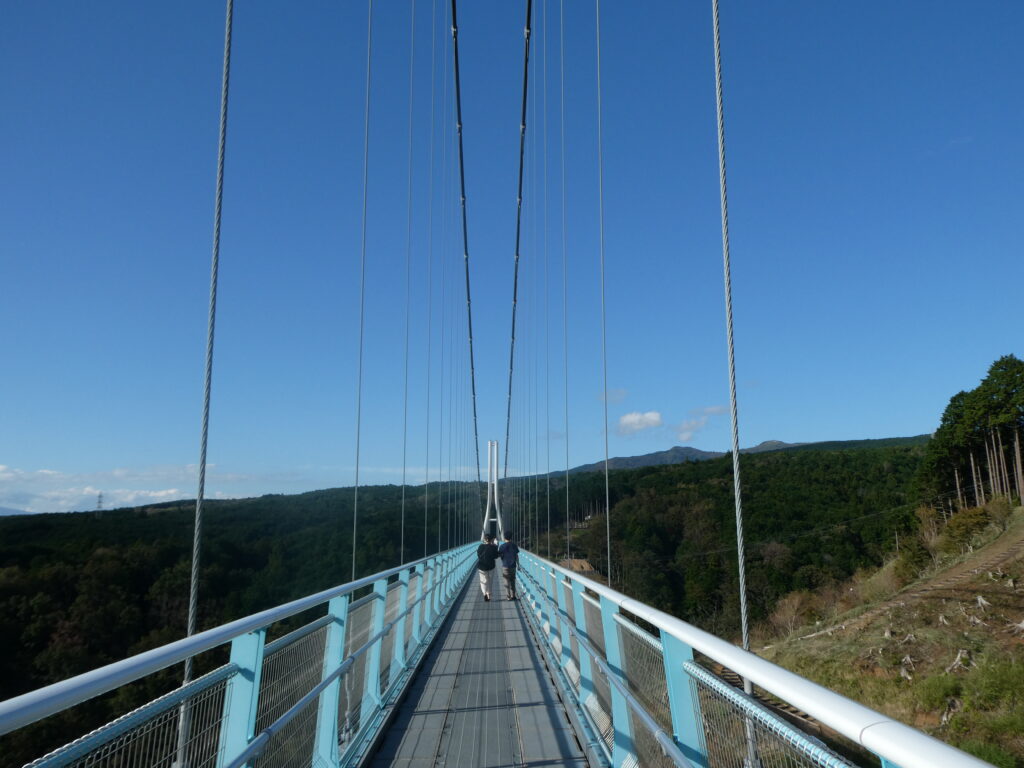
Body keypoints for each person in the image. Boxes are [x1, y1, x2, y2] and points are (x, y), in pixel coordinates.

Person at [476, 533, 500, 601]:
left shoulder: (480, 546)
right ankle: (489, 594)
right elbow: (496, 556)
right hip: (491, 566)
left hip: (482, 566)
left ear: (484, 539)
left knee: (483, 580)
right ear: (492, 539)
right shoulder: (493, 547)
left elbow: (478, 555)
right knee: (490, 580)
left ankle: (484, 593)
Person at [497, 531, 519, 601]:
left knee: (506, 581)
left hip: (505, 566)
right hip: (513, 566)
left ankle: (508, 596)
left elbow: (499, 555)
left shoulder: (502, 546)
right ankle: (513, 596)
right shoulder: (514, 545)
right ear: (511, 537)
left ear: (504, 537)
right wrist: (518, 565)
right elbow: (516, 556)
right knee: (512, 581)